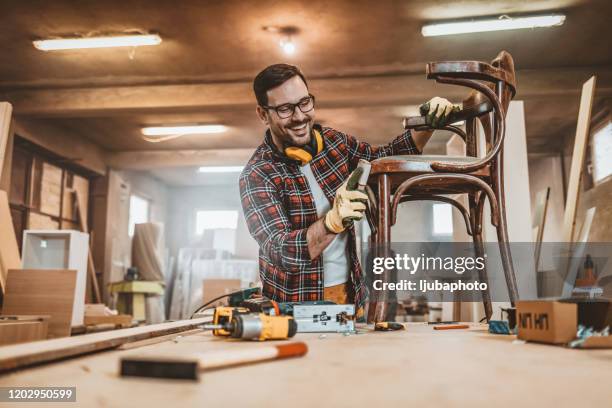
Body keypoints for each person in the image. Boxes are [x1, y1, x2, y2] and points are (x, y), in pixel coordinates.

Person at [239, 63, 457, 312]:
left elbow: (386, 159)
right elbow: (281, 252)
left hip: (350, 296)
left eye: (304, 103)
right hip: (294, 308)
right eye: (285, 109)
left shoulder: (335, 144)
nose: (299, 116)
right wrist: (332, 222)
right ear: (263, 114)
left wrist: (427, 123)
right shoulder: (257, 175)